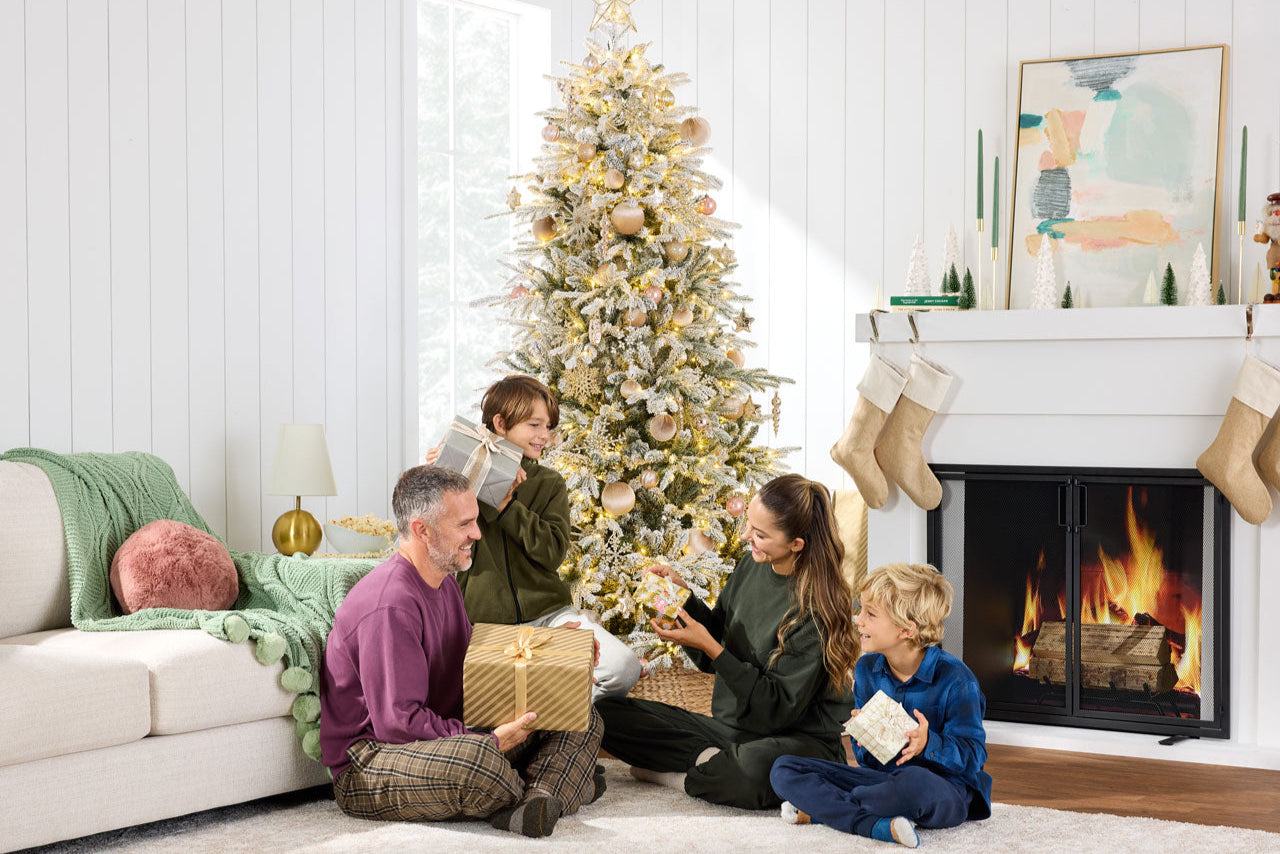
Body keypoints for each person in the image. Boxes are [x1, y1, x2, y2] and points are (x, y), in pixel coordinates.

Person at [319, 465, 604, 838]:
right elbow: (397, 724)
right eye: (464, 524)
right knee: (482, 763)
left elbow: (475, 655)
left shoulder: (445, 583)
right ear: (422, 530)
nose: (477, 533)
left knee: (580, 713)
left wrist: (545, 647)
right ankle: (561, 783)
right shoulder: (390, 604)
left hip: (441, 734)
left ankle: (539, 798)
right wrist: (490, 740)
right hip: (373, 760)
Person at [595, 474, 861, 810]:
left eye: (760, 534)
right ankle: (712, 761)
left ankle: (682, 775)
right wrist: (683, 599)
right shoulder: (753, 563)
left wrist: (712, 647)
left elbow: (773, 711)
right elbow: (716, 643)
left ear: (797, 544)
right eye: (749, 524)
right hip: (730, 730)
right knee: (603, 713)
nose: (746, 536)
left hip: (794, 740)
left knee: (751, 771)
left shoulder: (817, 611)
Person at [427, 374, 642, 699]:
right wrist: (442, 481)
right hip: (486, 630)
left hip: (551, 619)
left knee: (623, 667)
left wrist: (508, 506)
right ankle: (552, 700)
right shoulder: (460, 480)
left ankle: (547, 705)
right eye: (534, 425)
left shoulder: (548, 482)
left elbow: (553, 552)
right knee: (464, 693)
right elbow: (441, 546)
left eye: (548, 427)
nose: (544, 436)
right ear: (500, 423)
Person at [769, 563, 993, 849]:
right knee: (784, 769)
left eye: (870, 614)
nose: (857, 620)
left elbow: (974, 757)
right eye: (860, 610)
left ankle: (825, 811)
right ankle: (876, 825)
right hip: (883, 782)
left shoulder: (957, 680)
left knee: (912, 783)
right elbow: (867, 763)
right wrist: (866, 737)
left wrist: (928, 743)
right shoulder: (866, 670)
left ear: (906, 629)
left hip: (945, 789)